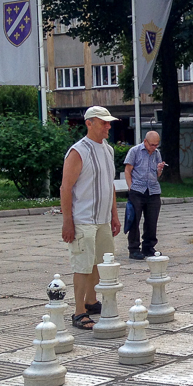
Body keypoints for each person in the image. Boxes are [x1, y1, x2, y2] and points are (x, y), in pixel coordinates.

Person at [60, 106, 121, 330]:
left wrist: (114, 215)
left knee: (100, 263)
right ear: (89, 123)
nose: (108, 126)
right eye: (103, 122)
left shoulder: (108, 150)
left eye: (108, 122)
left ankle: (91, 300)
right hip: (83, 219)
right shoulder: (78, 151)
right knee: (83, 265)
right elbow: (66, 188)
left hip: (103, 219)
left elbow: (109, 185)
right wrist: (68, 220)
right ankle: (78, 311)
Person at [123, 131, 166, 261]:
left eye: (156, 145)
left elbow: (158, 174)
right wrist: (130, 187)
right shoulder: (135, 151)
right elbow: (127, 170)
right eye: (152, 145)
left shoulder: (157, 153)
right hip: (137, 190)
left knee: (152, 220)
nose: (154, 147)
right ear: (145, 142)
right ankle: (134, 248)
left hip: (153, 190)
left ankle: (149, 246)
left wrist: (160, 169)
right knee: (134, 220)